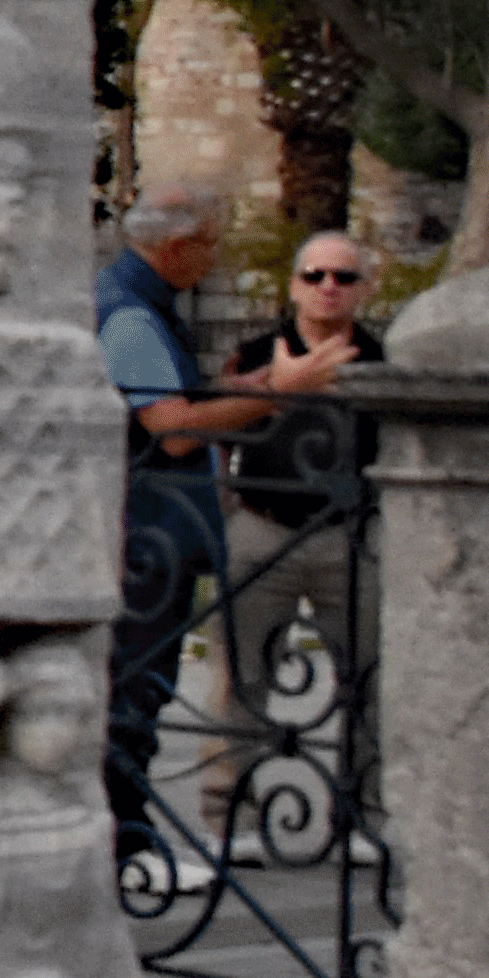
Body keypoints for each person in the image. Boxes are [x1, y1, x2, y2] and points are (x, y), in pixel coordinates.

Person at [99, 187, 347, 833]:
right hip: (150, 537)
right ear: (177, 246)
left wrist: (251, 385)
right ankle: (126, 843)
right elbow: (173, 428)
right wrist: (279, 395)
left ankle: (129, 839)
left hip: (158, 535)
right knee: (133, 694)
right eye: (211, 245)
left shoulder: (144, 305)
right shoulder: (130, 316)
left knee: (140, 690)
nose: (214, 260)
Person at [205, 232, 390, 849]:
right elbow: (214, 427)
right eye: (314, 276)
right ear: (294, 287)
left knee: (372, 681)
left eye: (342, 277)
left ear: (363, 289)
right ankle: (233, 815)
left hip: (351, 536)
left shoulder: (384, 364)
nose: (328, 287)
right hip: (262, 528)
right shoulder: (259, 355)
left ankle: (366, 814)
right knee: (241, 680)